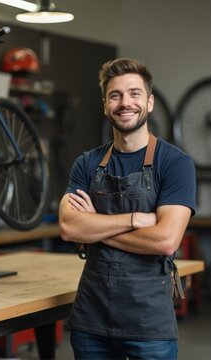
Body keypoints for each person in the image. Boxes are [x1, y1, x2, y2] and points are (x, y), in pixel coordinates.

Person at [59, 57, 196, 360]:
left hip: (148, 323)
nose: (125, 103)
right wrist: (136, 219)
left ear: (149, 103)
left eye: (134, 93)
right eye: (115, 95)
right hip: (91, 318)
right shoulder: (87, 163)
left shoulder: (174, 163)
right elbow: (69, 227)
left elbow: (165, 240)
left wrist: (94, 228)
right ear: (105, 104)